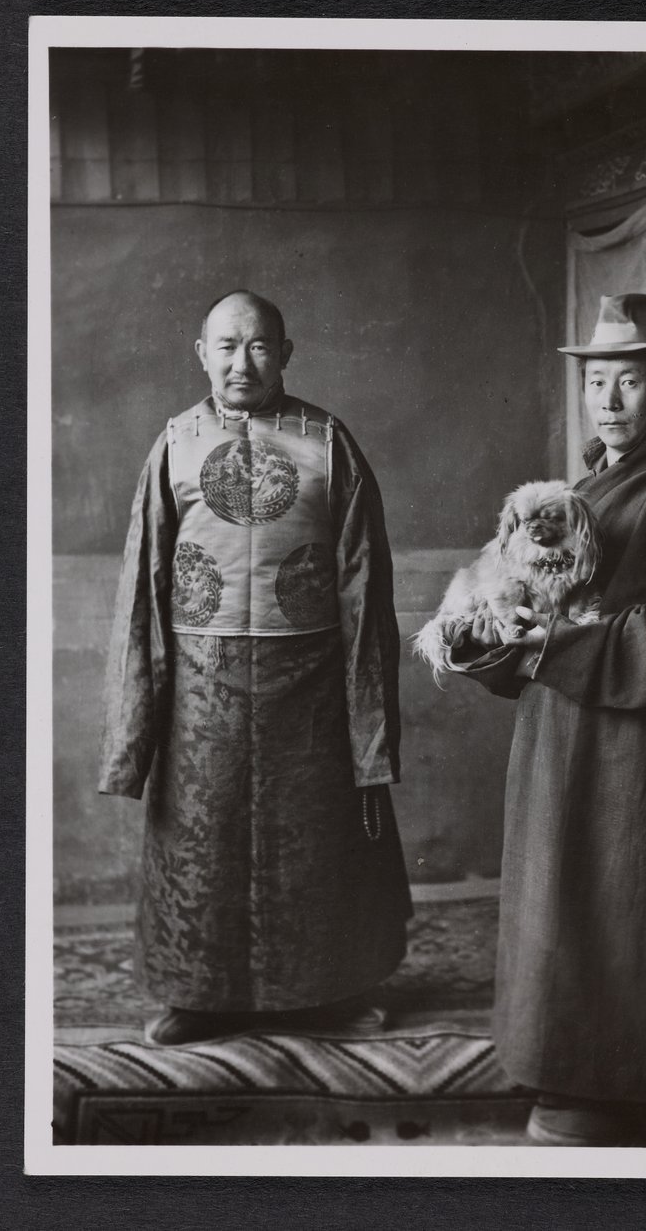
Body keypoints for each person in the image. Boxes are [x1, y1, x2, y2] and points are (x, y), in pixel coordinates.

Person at [451, 294, 646, 1145]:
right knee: (567, 901)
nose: (608, 400)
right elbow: (537, 590)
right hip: (564, 732)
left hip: (640, 743)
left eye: (628, 381)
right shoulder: (581, 486)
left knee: (630, 901)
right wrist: (495, 627)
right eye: (597, 381)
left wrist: (561, 645)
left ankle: (637, 1087)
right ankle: (566, 1073)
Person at [98, 289, 412, 1046]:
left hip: (306, 681)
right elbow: (145, 586)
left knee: (316, 840)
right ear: (201, 353)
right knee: (199, 843)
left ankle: (327, 995)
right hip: (201, 687)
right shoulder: (172, 442)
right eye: (227, 346)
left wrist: (365, 715)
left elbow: (363, 584)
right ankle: (193, 996)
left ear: (286, 353)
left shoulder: (327, 441)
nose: (243, 362)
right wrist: (142, 714)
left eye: (260, 345)